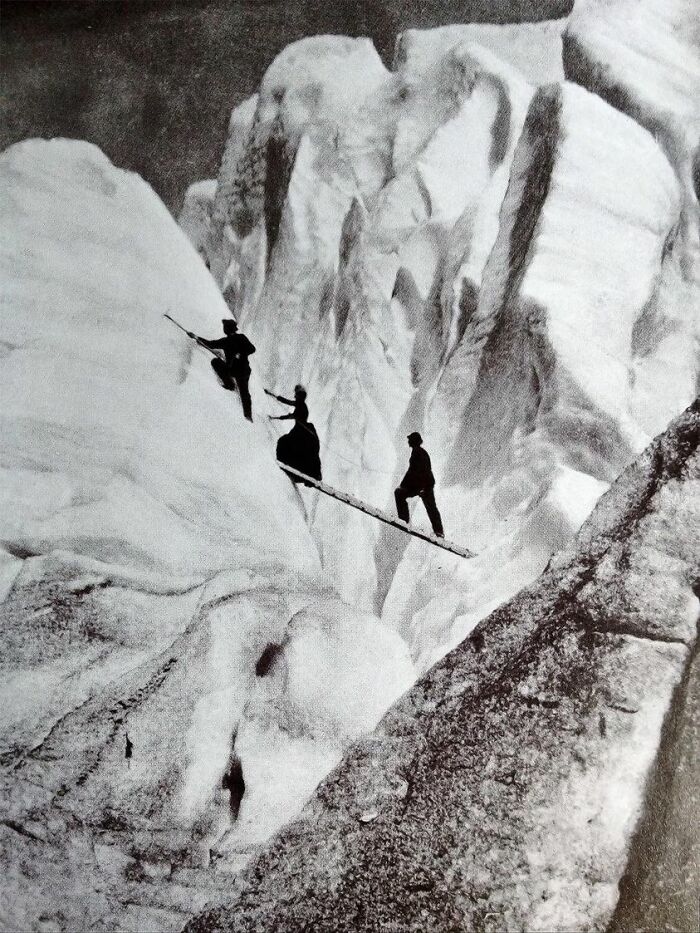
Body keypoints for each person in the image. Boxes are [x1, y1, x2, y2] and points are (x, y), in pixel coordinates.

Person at [187, 319, 256, 421]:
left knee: (216, 362)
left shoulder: (226, 341)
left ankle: (229, 384)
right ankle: (248, 415)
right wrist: (241, 353)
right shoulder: (241, 337)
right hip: (245, 370)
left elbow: (211, 344)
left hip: (235, 371)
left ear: (227, 330)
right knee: (244, 392)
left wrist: (196, 337)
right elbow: (252, 349)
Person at [395, 432, 444, 537]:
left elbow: (422, 471)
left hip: (425, 485)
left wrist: (421, 487)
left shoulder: (419, 453)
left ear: (414, 441)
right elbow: (412, 472)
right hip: (421, 485)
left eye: (410, 440)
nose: (408, 441)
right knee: (431, 507)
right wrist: (403, 485)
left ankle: (404, 521)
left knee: (430, 507)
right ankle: (439, 532)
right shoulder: (418, 452)